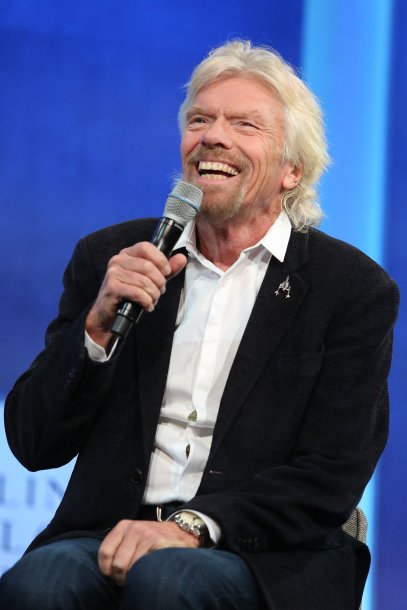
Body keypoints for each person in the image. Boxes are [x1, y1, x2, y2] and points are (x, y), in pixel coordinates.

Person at [0, 40, 399, 610]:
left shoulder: (350, 289)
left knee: (170, 582)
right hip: (107, 532)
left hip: (267, 553)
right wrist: (94, 330)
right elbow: (33, 443)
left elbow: (332, 473)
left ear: (293, 170)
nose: (213, 135)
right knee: (40, 586)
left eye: (244, 124)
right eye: (200, 120)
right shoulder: (112, 259)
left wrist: (191, 526)